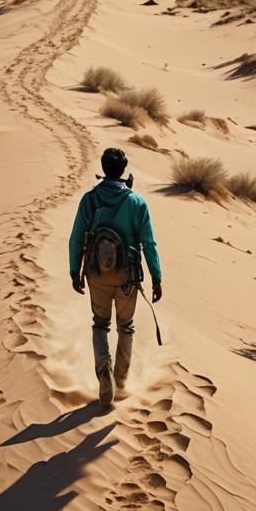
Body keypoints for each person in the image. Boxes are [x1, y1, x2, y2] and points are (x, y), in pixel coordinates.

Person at [69, 147, 162, 407]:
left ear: (103, 167)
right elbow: (149, 243)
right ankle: (120, 380)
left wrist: (74, 271)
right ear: (123, 169)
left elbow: (77, 237)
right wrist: (157, 277)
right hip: (127, 277)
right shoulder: (136, 203)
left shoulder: (89, 199)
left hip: (96, 274)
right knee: (126, 326)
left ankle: (104, 376)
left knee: (100, 324)